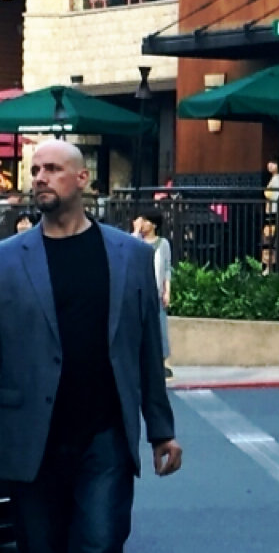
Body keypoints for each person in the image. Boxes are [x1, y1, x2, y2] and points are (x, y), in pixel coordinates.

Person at [0, 140, 181, 553]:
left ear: (82, 178)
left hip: (104, 438)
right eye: (35, 170)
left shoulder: (130, 256)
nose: (40, 178)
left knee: (100, 542)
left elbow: (146, 348)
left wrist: (161, 430)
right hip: (31, 440)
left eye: (52, 169)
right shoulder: (6, 261)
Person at [137, 209, 173, 379]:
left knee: (160, 328)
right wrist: (136, 232)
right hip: (139, 292)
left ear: (154, 225)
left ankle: (162, 362)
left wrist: (167, 291)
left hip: (156, 293)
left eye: (146, 221)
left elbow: (167, 269)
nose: (143, 224)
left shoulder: (163, 244)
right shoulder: (136, 242)